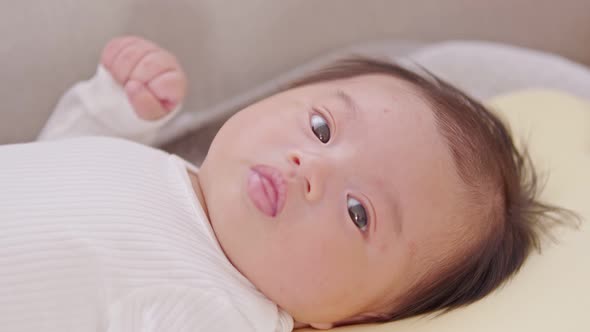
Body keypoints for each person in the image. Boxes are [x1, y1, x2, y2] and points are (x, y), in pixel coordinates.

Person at [0, 36, 570, 331]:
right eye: (321, 127)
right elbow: (48, 166)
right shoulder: (165, 171)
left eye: (358, 213)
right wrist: (110, 108)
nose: (311, 168)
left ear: (355, 317)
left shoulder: (218, 307)